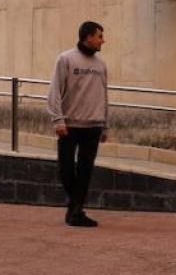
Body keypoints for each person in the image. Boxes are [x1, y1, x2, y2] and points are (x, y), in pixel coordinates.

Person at [47, 20, 108, 228]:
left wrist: (105, 125)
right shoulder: (66, 59)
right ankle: (75, 207)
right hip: (69, 126)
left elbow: (103, 96)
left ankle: (75, 211)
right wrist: (58, 119)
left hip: (93, 126)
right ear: (88, 37)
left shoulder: (101, 65)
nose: (103, 40)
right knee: (65, 169)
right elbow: (55, 90)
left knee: (85, 171)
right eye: (99, 36)